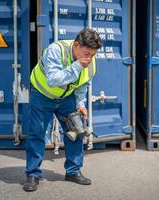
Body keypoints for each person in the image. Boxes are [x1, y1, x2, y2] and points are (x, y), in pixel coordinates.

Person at [23, 28, 102, 192]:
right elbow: (53, 79)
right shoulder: (55, 50)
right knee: (36, 134)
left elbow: (83, 84)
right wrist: (77, 66)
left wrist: (81, 104)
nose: (89, 58)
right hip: (42, 94)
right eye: (86, 53)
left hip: (67, 98)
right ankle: (33, 174)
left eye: (92, 55)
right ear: (76, 45)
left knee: (76, 132)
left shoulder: (90, 62)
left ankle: (73, 171)